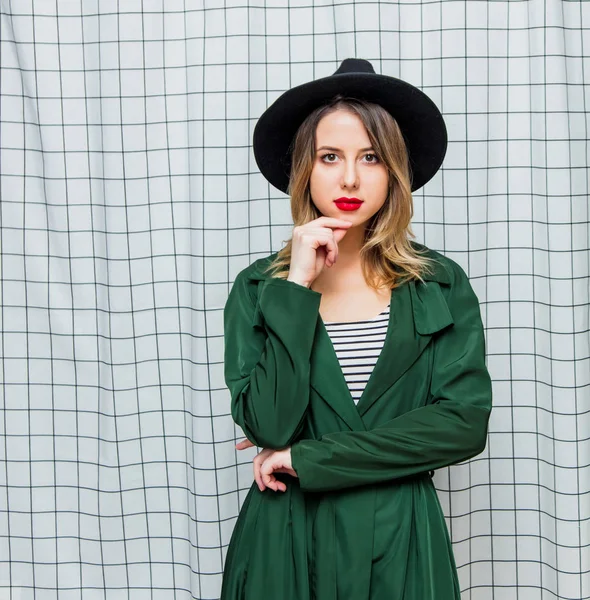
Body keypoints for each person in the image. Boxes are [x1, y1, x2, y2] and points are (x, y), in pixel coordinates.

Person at [220, 58, 492, 600]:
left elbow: (462, 426)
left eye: (370, 157)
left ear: (394, 170)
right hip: (286, 543)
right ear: (305, 170)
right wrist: (297, 285)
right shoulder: (259, 288)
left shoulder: (438, 284)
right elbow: (271, 425)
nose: (349, 177)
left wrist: (311, 456)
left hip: (402, 540)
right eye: (330, 157)